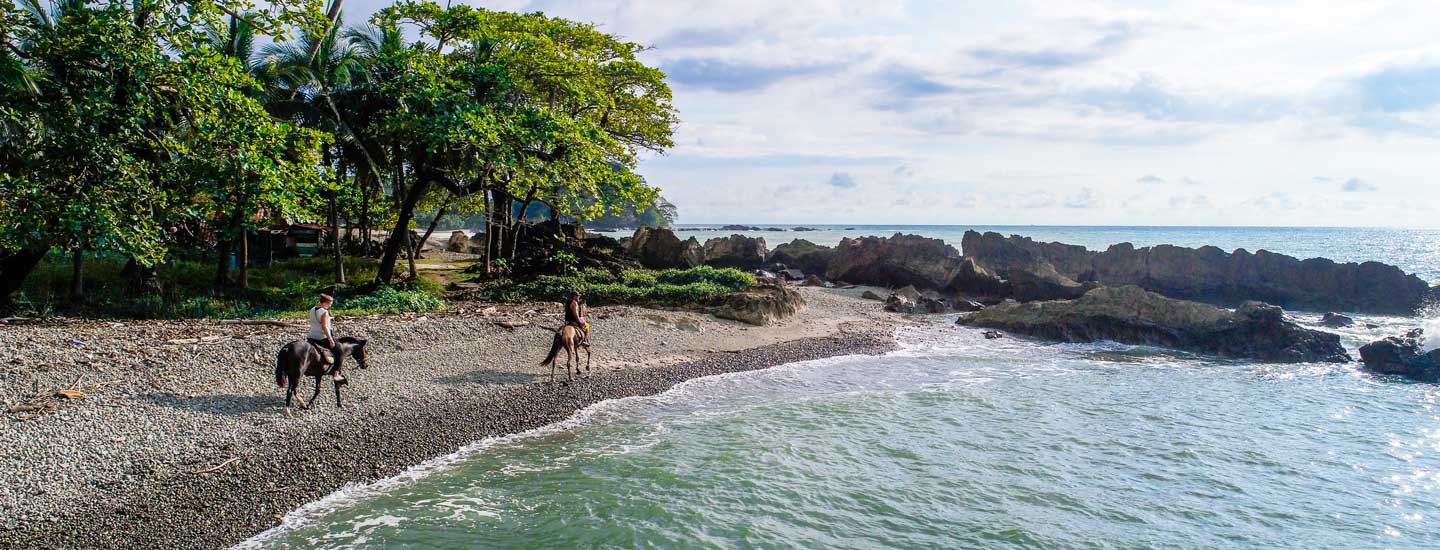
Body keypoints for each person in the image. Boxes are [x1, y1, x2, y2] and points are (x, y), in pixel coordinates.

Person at [308, 293, 346, 384]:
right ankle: (336, 374)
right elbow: (325, 327)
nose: (330, 305)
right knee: (340, 352)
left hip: (311, 336)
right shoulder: (324, 312)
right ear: (325, 303)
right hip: (321, 337)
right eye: (330, 303)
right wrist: (330, 339)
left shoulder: (312, 309)